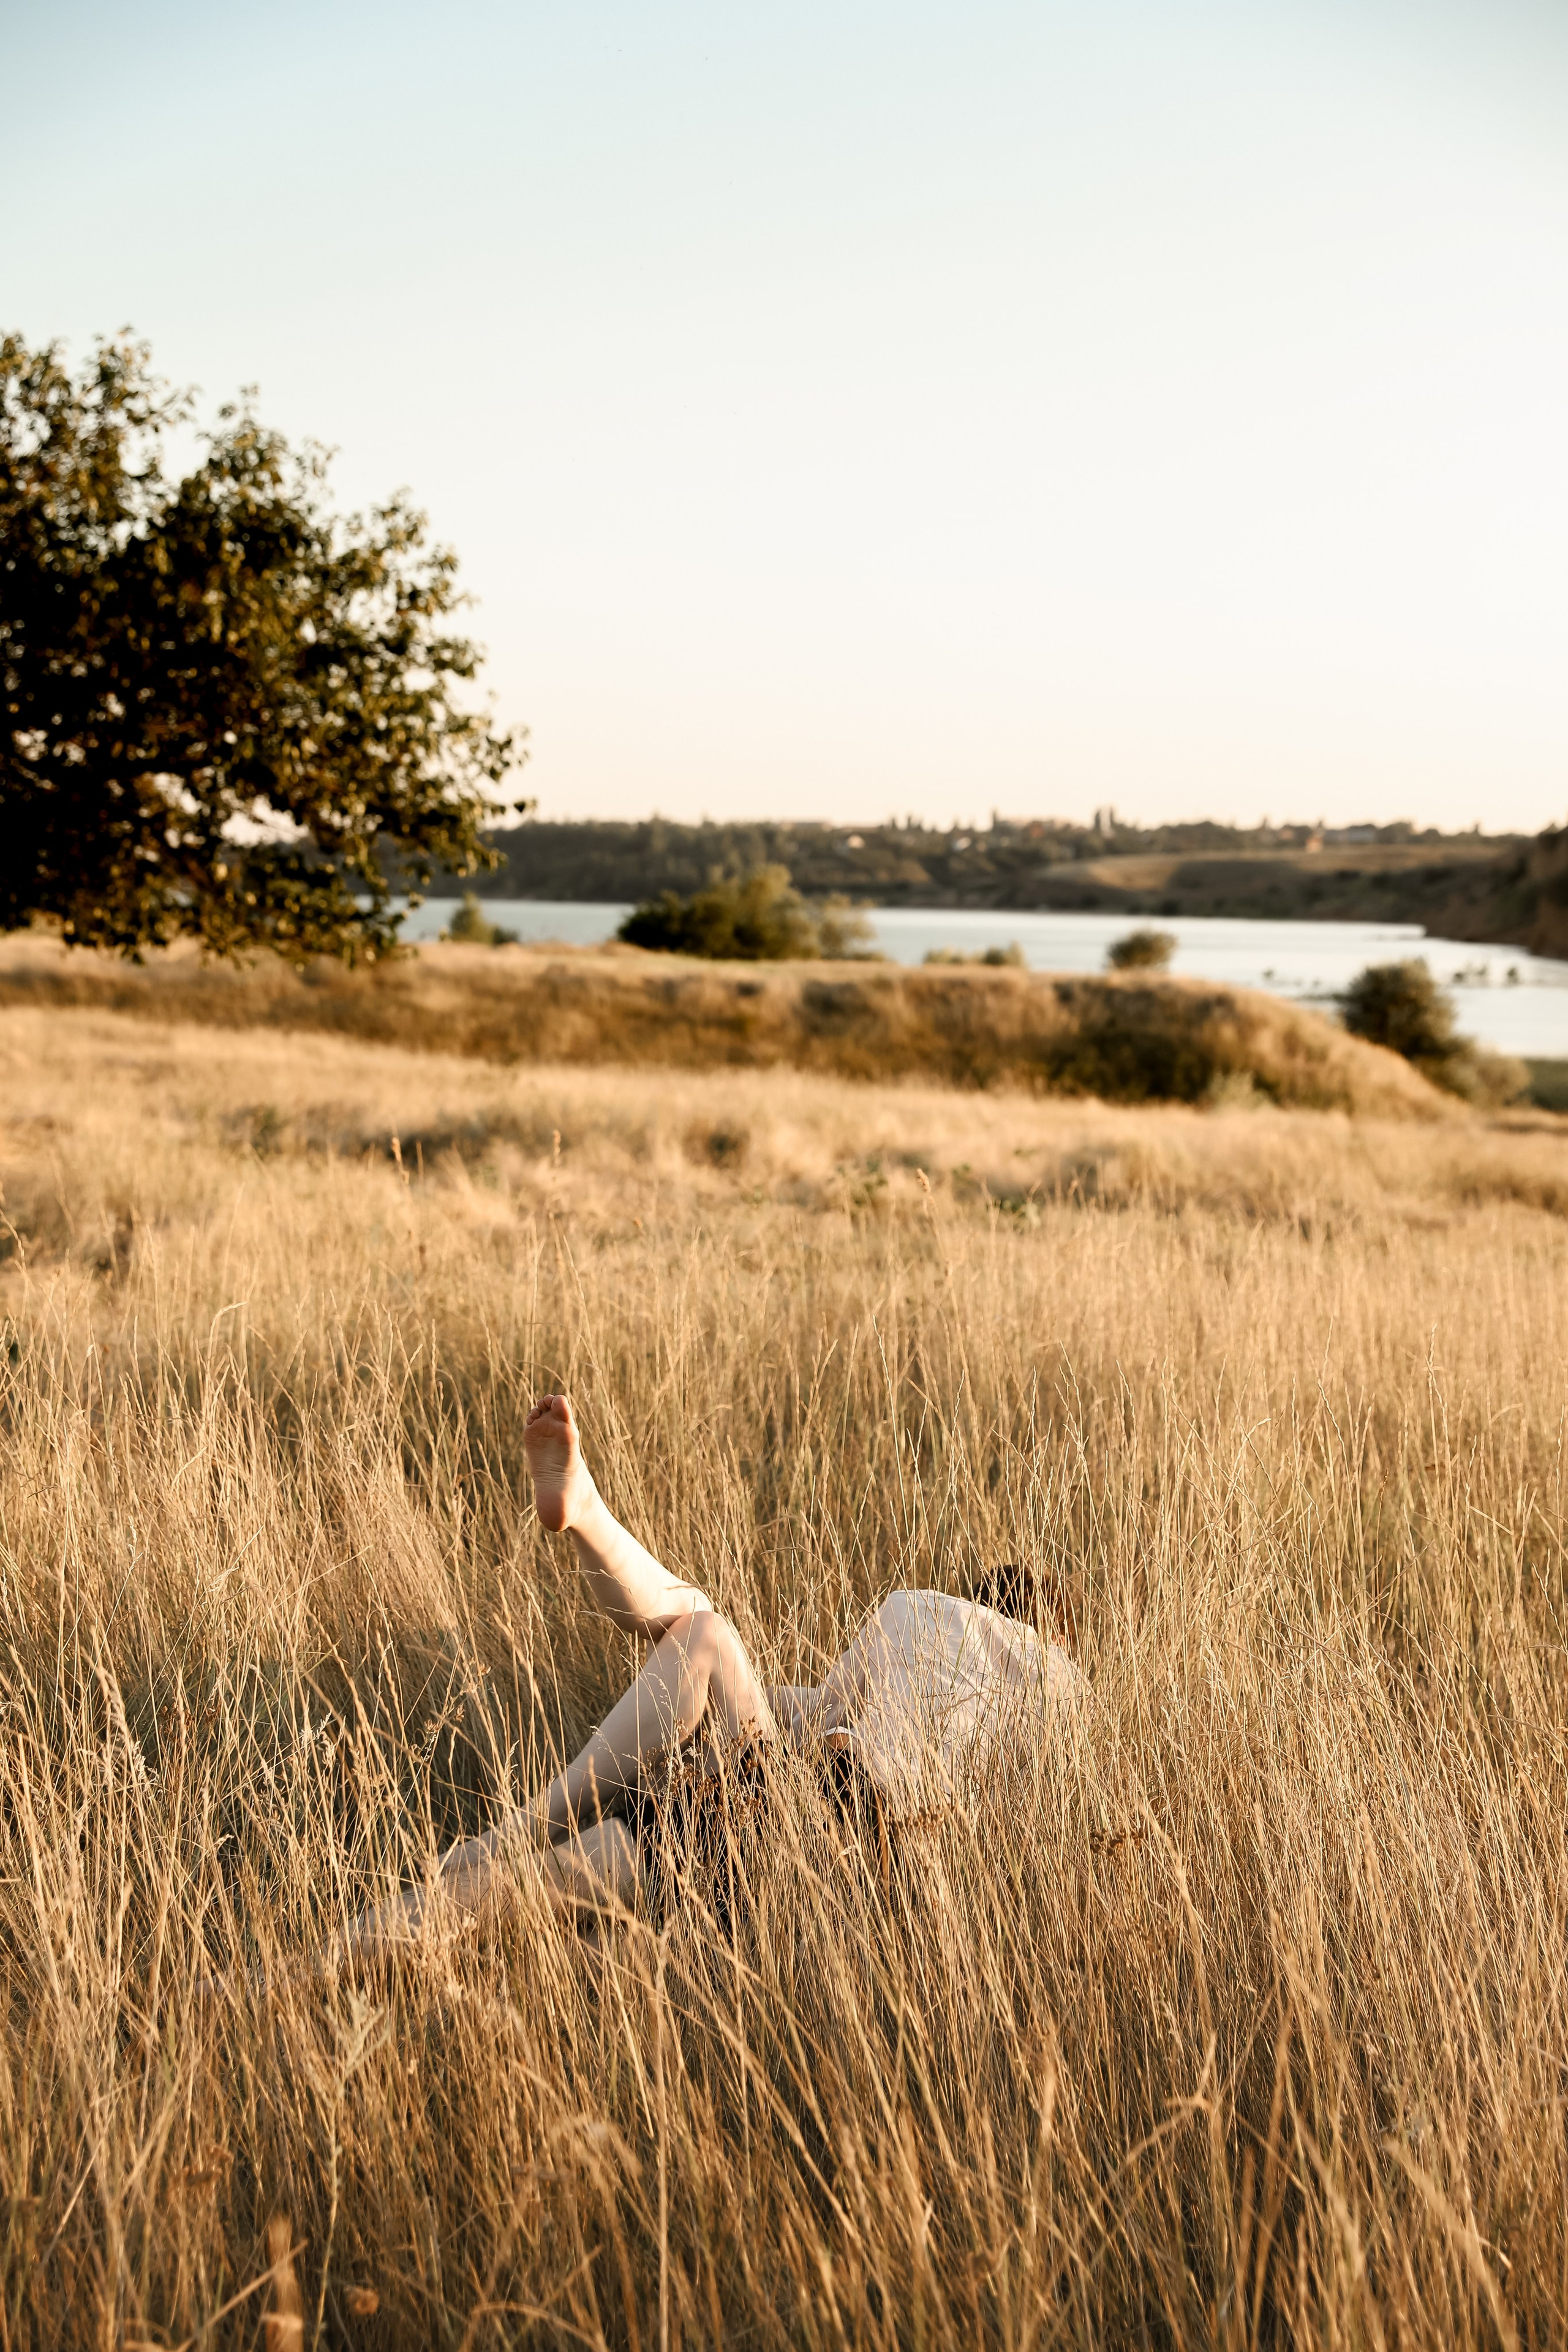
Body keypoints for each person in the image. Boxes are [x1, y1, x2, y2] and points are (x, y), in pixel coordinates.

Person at [330, 1394, 1082, 1964]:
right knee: (559, 1928)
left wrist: (720, 1732)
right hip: (871, 1855)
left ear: (977, 1596)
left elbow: (809, 1719)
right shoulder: (1065, 1694)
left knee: (703, 1634)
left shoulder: (914, 1611)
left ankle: (510, 1832)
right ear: (1056, 1635)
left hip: (809, 1801)